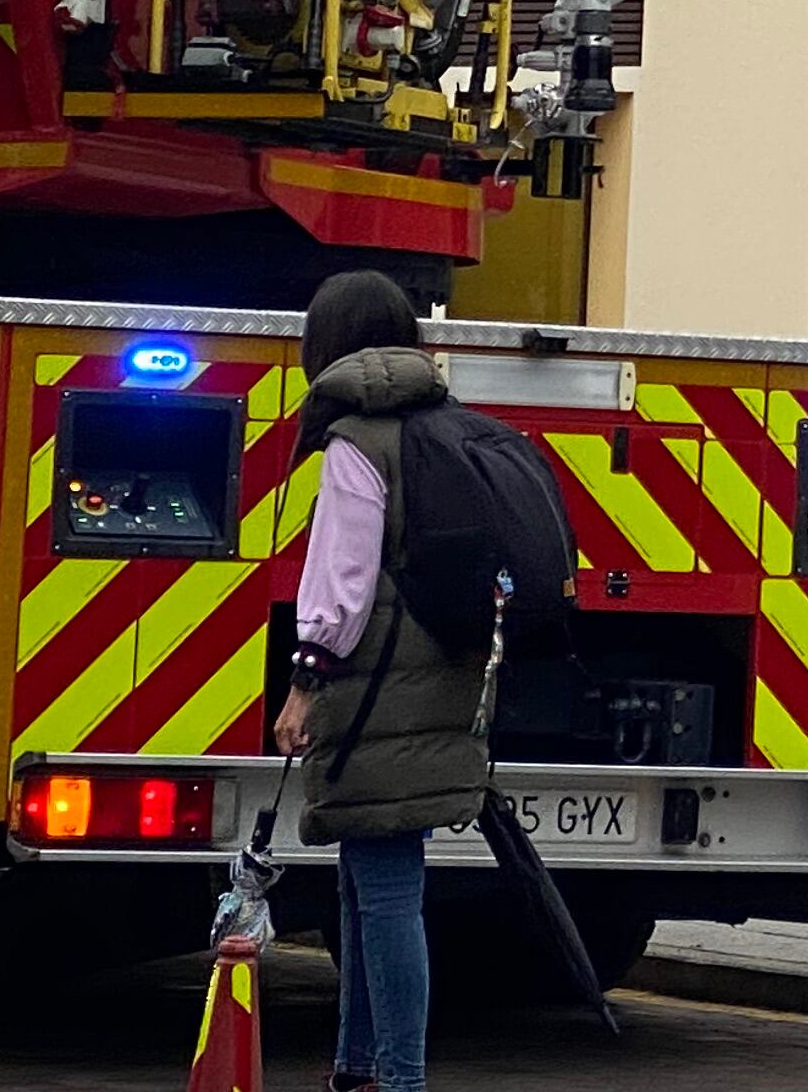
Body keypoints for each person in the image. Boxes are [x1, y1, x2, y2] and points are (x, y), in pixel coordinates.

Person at [274, 269, 489, 1092]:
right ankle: (357, 1066)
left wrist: (304, 683)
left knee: (389, 892)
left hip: (371, 695)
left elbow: (341, 583)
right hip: (438, 685)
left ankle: (400, 1079)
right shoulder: (446, 427)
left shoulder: (356, 446)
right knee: (369, 883)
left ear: (324, 347)